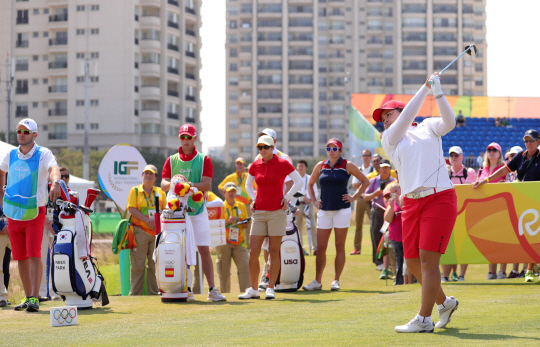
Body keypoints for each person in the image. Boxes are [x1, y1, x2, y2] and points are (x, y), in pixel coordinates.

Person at [376, 74, 459, 333]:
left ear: (400, 111)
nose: (384, 119)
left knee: (426, 260)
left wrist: (438, 92)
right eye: (383, 118)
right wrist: (424, 89)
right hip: (411, 202)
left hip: (439, 197)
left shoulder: (428, 126)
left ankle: (424, 319)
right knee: (411, 261)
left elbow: (450, 122)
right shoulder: (389, 139)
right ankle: (445, 303)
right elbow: (403, 120)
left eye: (387, 114)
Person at [0, 118, 61, 312]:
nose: (21, 134)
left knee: (34, 254)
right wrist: (2, 193)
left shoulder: (43, 153)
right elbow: (1, 172)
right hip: (14, 213)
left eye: (26, 132)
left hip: (35, 212)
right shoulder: (10, 154)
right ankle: (28, 297)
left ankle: (35, 297)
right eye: (19, 131)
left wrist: (56, 183)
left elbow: (54, 169)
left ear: (34, 135)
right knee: (20, 258)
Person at [161, 124, 226, 301]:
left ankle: (212, 290)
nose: (186, 140)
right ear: (180, 138)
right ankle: (184, 288)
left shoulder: (204, 160)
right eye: (183, 137)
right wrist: (175, 183)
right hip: (176, 214)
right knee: (179, 249)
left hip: (197, 211)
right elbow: (164, 184)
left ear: (194, 138)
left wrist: (188, 185)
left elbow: (207, 185)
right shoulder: (171, 159)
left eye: (189, 137)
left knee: (203, 248)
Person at [238, 135, 303, 300]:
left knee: (274, 251)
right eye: (260, 147)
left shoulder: (283, 163)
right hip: (259, 213)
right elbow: (247, 185)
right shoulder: (255, 165)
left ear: (272, 148)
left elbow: (299, 181)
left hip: (277, 212)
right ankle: (253, 289)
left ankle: (270, 288)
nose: (262, 150)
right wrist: (253, 199)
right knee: (253, 251)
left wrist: (287, 197)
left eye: (265, 147)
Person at [474, 129, 540, 283]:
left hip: (536, 200)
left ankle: (529, 269)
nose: (528, 143)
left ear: (538, 141)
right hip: (522, 200)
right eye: (526, 141)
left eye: (531, 140)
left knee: (533, 234)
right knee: (524, 234)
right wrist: (487, 180)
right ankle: (530, 267)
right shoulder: (521, 156)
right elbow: (505, 169)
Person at [303, 139, 369, 291]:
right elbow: (310, 183)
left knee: (340, 246)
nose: (331, 150)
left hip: (342, 210)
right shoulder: (321, 166)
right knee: (320, 248)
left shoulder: (347, 165)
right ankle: (317, 281)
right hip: (324, 211)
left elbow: (365, 181)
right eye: (328, 148)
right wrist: (313, 200)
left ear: (340, 150)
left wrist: (354, 197)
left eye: (335, 148)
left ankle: (336, 280)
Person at [126, 165, 165, 296]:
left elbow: (165, 210)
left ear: (156, 178)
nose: (148, 175)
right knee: (138, 265)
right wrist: (148, 220)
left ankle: (154, 293)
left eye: (151, 173)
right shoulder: (135, 190)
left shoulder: (160, 192)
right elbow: (131, 209)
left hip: (156, 233)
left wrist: (156, 222)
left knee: (155, 265)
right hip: (140, 231)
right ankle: (135, 295)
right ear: (142, 176)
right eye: (145, 173)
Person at [441, 146, 477, 282]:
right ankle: (445, 276)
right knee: (447, 244)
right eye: (452, 155)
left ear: (462, 157)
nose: (454, 158)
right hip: (447, 213)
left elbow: (466, 192)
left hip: (465, 212)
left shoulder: (470, 172)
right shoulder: (445, 172)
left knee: (464, 244)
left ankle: (461, 275)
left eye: (457, 155)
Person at [475, 142, 507, 280]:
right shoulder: (482, 169)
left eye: (494, 150)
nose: (491, 152)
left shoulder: (504, 168)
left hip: (501, 209)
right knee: (490, 242)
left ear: (499, 153)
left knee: (503, 240)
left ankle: (502, 271)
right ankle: (491, 271)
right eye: (489, 150)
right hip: (485, 210)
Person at [215, 182, 250, 293]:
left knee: (244, 268)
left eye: (233, 191)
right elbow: (215, 225)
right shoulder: (219, 206)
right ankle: (225, 293)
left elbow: (245, 225)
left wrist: (242, 222)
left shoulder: (242, 205)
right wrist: (228, 222)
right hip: (223, 242)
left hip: (239, 242)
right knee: (224, 270)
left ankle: (246, 292)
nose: (231, 193)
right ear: (224, 193)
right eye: (229, 191)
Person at [364, 159, 396, 275]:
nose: (385, 170)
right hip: (377, 211)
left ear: (389, 169)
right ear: (380, 168)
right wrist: (374, 194)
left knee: (389, 237)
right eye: (383, 167)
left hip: (390, 212)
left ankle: (390, 262)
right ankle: (378, 261)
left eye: (387, 167)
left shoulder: (394, 181)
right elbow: (365, 197)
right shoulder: (373, 180)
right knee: (376, 235)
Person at [503, 146, 527, 279]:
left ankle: (525, 269)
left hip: (524, 209)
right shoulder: (509, 175)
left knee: (525, 239)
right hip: (512, 211)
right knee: (515, 241)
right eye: (510, 156)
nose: (512, 159)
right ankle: (515, 270)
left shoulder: (524, 173)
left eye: (514, 156)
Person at [218, 157, 252, 244]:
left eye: (241, 164)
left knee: (248, 227)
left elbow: (257, 188)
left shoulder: (249, 176)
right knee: (233, 226)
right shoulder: (231, 177)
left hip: (247, 206)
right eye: (237, 163)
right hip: (234, 206)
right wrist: (226, 197)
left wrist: (253, 200)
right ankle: (232, 245)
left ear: (245, 166)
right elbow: (220, 187)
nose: (239, 165)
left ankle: (247, 249)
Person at [350, 149, 374, 255]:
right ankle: (357, 248)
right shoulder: (358, 169)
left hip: (371, 199)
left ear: (370, 157)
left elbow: (358, 184)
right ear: (361, 157)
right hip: (359, 199)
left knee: (374, 225)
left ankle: (375, 247)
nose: (365, 157)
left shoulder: (374, 169)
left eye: (367, 155)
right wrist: (366, 184)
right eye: (364, 155)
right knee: (358, 224)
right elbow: (354, 185)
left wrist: (362, 183)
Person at [295, 160, 318, 255]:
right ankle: (300, 249)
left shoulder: (310, 178)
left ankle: (315, 248)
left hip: (309, 204)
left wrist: (310, 199)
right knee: (298, 227)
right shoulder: (294, 179)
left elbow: (315, 192)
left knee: (312, 226)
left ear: (306, 168)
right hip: (297, 204)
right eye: (299, 166)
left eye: (302, 166)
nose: (300, 168)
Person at [383, 182, 404, 285]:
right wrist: (391, 207)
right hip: (395, 235)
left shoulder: (405, 199)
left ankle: (410, 280)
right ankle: (399, 281)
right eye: (392, 192)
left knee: (408, 260)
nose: (395, 194)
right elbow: (388, 219)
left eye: (396, 191)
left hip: (407, 234)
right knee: (397, 260)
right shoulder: (390, 203)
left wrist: (401, 201)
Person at [0, 205, 9, 307]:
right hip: (1, 233)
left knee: (25, 261)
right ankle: (3, 297)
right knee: (0, 267)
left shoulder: (12, 189)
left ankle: (31, 296)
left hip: (13, 231)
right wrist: (2, 226)